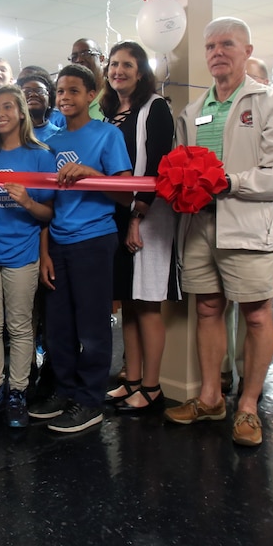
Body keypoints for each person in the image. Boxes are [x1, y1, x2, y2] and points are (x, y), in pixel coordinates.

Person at [167, 18, 273, 447]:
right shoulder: (193, 111)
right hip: (200, 224)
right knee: (207, 309)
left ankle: (248, 406)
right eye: (210, 46)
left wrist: (230, 182)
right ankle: (210, 398)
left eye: (227, 44)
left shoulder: (269, 101)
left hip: (247, 223)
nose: (217, 52)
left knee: (258, 315)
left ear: (247, 50)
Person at [31, 63, 133, 433]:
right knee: (58, 325)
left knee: (92, 326)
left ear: (92, 95)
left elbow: (126, 194)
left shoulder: (107, 136)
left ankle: (90, 400)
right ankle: (64, 390)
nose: (65, 98)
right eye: (61, 91)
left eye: (74, 91)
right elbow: (46, 204)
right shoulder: (51, 143)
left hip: (94, 240)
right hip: (57, 242)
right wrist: (44, 253)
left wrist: (94, 175)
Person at [0, 85, 55, 427]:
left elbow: (47, 214)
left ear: (21, 112)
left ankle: (17, 391)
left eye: (7, 107)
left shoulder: (40, 155)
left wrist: (28, 202)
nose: (0, 114)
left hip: (22, 252)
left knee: (19, 326)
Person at [98, 41, 176, 414]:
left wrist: (137, 216)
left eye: (127, 65)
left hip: (147, 216)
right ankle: (131, 377)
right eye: (113, 65)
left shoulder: (155, 108)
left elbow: (157, 166)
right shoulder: (109, 111)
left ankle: (151, 386)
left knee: (147, 303)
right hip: (116, 214)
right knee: (127, 301)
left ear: (141, 71)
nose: (118, 71)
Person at [69, 38, 106, 121]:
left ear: (101, 58)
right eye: (74, 57)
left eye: (86, 53)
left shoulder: (115, 93)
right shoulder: (73, 99)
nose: (79, 59)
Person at [18, 73, 61, 143]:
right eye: (26, 91)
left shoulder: (59, 135)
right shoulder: (11, 135)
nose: (33, 94)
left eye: (40, 91)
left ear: (49, 102)